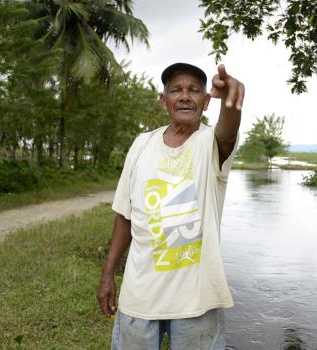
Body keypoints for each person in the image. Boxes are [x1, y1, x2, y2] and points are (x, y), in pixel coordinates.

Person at [96, 62, 244, 350]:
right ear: (164, 102)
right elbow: (125, 215)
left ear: (206, 101)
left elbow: (227, 132)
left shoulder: (210, 143)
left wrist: (231, 102)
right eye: (176, 90)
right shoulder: (141, 145)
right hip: (139, 296)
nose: (185, 96)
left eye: (194, 90)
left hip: (196, 302)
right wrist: (107, 274)